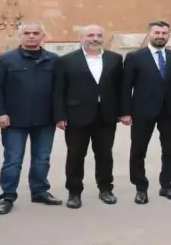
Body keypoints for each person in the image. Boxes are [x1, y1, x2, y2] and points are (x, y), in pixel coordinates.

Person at [0, 21, 62, 215]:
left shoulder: (53, 60)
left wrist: (60, 116)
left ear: (43, 36)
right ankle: (7, 196)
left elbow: (59, 90)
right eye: (27, 33)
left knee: (42, 159)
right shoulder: (5, 60)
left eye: (36, 33)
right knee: (13, 159)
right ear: (20, 36)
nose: (31, 36)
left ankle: (40, 191)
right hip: (14, 120)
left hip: (45, 120)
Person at [53, 25, 123, 209]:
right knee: (75, 155)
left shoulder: (114, 59)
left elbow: (121, 89)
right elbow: (59, 91)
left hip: (106, 116)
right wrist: (60, 116)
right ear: (81, 38)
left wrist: (124, 112)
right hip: (77, 116)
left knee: (105, 155)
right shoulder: (66, 61)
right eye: (90, 35)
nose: (95, 38)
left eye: (99, 35)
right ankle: (74, 192)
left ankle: (106, 189)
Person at [121, 21, 171, 204]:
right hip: (142, 112)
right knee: (138, 151)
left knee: (170, 151)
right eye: (157, 32)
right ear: (149, 34)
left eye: (164, 33)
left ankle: (166, 185)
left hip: (170, 112)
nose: (160, 36)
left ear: (168, 36)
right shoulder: (135, 57)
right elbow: (126, 87)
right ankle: (141, 188)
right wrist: (125, 112)